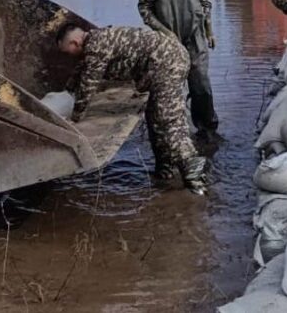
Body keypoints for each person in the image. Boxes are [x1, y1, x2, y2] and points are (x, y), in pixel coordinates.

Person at [57, 24, 210, 194]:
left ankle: (194, 174)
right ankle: (164, 169)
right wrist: (67, 90)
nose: (67, 56)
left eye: (66, 51)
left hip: (168, 62)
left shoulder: (96, 46)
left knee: (168, 120)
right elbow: (81, 71)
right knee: (153, 119)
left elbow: (88, 84)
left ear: (75, 43)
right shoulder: (96, 40)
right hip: (164, 61)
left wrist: (75, 118)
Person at [138, 0, 219, 132]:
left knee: (200, 82)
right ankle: (173, 131)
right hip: (168, 40)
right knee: (169, 86)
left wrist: (208, 29)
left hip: (195, 37)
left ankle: (206, 127)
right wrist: (163, 32)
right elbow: (144, 9)